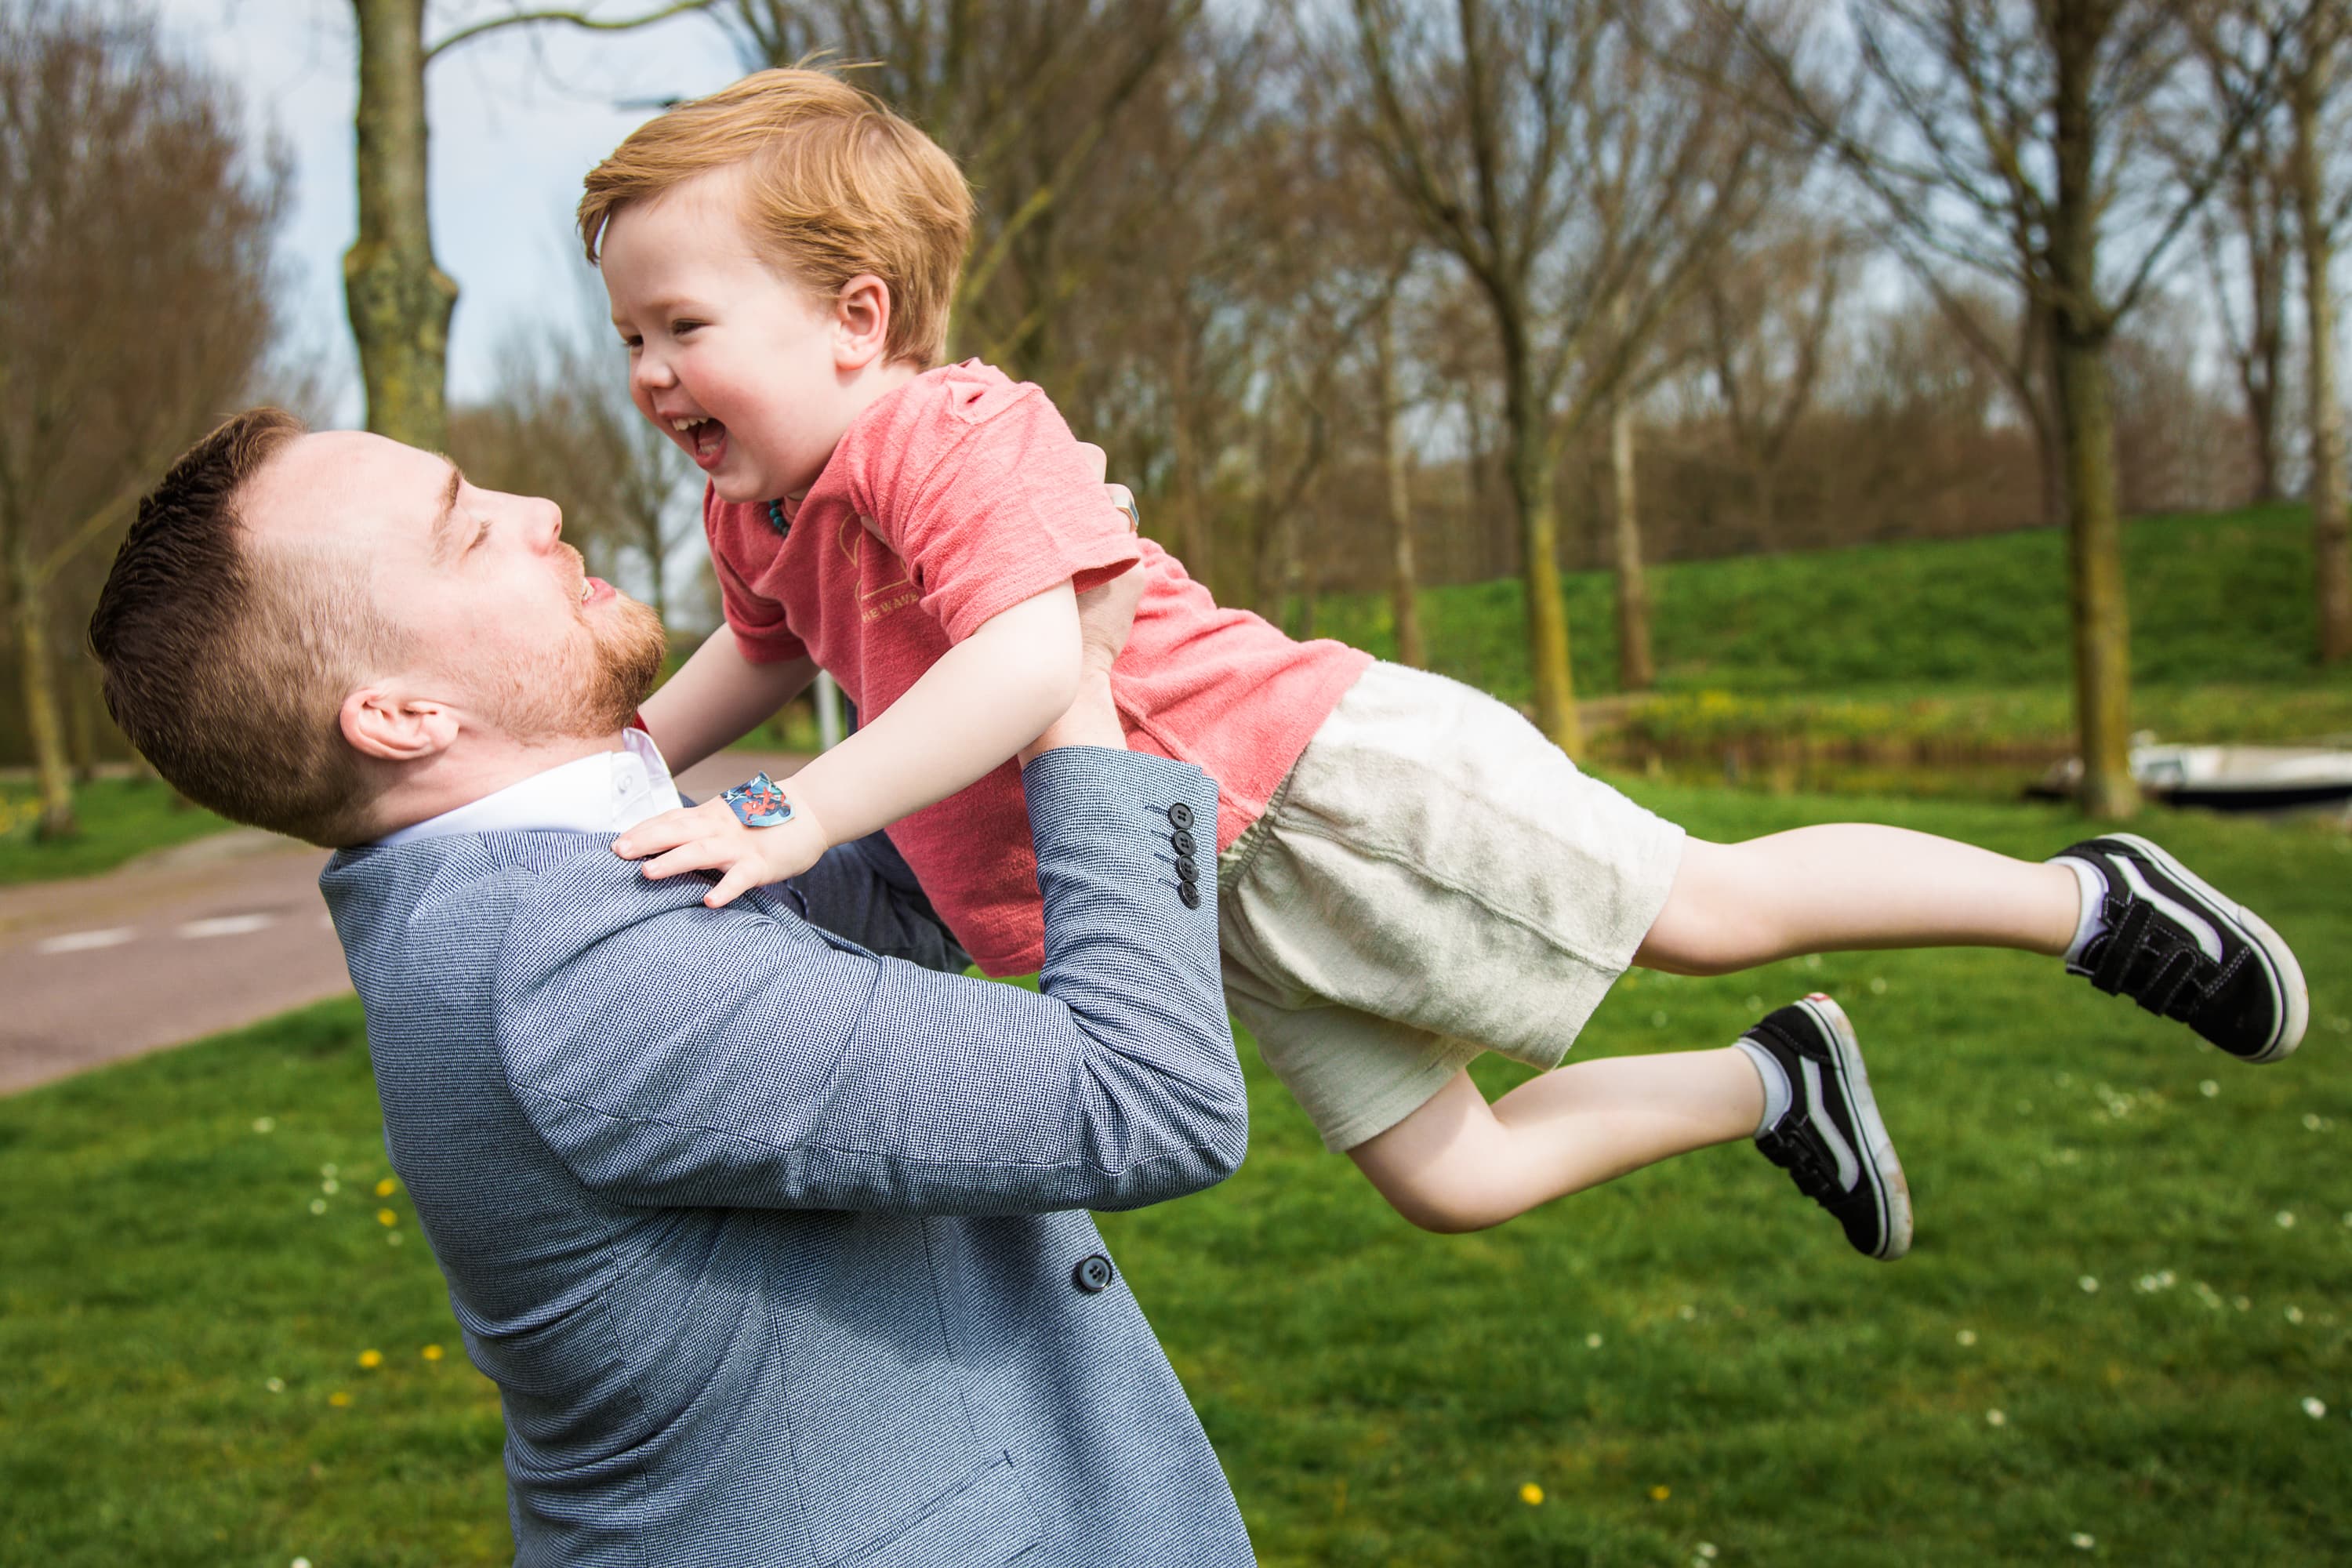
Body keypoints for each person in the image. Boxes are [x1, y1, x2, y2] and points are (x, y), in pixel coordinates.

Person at [583, 67, 2309, 1260]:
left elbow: (1033, 657)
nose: (652, 373)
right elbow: (745, 663)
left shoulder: (948, 435)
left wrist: (800, 818)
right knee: (1457, 1178)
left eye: (685, 326)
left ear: (858, 317)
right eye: (628, 338)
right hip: (1204, 891)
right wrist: (589, 776)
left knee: (1704, 907)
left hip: (1313, 780)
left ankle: (2086, 901)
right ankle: (1772, 1082)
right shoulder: (770, 515)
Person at [86, 409, 1260, 1565]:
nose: (536, 511)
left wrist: (952, 613)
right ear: (403, 717)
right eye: (462, 530)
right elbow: (1149, 1094)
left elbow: (905, 903)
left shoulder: (502, 901)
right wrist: (1071, 674)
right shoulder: (575, 973)